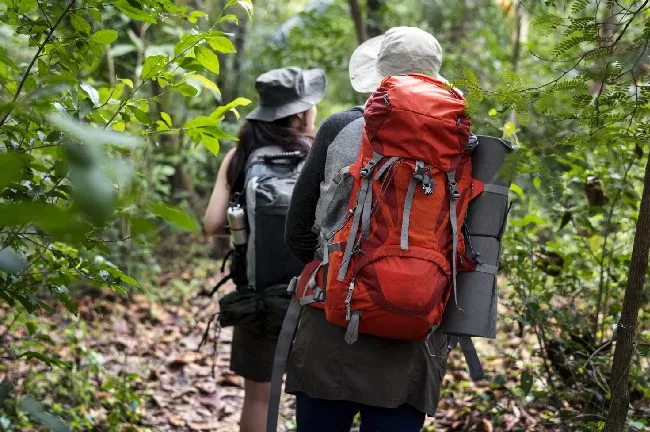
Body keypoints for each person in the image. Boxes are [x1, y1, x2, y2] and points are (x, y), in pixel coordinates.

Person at [283, 27, 449, 432]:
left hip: (330, 320)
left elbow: (297, 230)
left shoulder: (339, 127)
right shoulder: (461, 143)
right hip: (413, 328)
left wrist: (337, 271)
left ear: (379, 77)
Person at [204, 66, 326, 432]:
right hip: (315, 294)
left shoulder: (241, 155)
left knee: (258, 396)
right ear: (302, 112)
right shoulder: (320, 151)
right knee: (317, 396)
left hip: (258, 298)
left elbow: (211, 224)